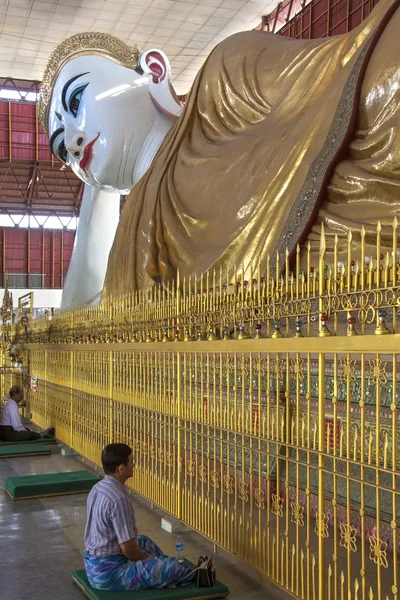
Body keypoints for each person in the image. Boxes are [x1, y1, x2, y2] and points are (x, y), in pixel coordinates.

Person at [39, 0, 400, 303]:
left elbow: (342, 76)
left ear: (153, 70)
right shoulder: (130, 247)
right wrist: (98, 185)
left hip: (358, 206)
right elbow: (78, 323)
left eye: (76, 101)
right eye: (62, 150)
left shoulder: (224, 76)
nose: (72, 141)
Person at [84, 443, 196, 591]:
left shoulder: (97, 488)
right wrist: (144, 559)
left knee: (142, 541)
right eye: (131, 461)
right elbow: (128, 549)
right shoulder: (118, 500)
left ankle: (156, 565)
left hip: (93, 564)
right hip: (109, 574)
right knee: (171, 567)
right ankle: (195, 572)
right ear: (121, 468)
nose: (134, 465)